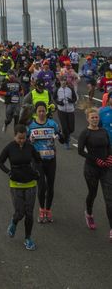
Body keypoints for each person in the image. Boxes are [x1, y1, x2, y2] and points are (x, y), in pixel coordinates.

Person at [0, 123, 41, 251]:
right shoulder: (10, 147)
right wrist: (9, 172)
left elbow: (38, 160)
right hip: (16, 184)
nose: (22, 140)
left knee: (29, 213)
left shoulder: (30, 146)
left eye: (24, 138)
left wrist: (36, 171)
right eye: (19, 138)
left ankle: (28, 238)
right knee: (20, 212)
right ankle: (14, 222)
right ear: (14, 136)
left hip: (30, 183)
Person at [77, 106, 112, 237]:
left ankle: (111, 229)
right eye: (92, 117)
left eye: (96, 117)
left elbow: (109, 146)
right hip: (91, 168)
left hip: (106, 168)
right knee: (93, 193)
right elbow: (80, 151)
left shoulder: (103, 131)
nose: (95, 119)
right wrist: (96, 160)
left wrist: (109, 157)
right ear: (88, 119)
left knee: (109, 198)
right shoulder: (85, 133)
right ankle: (89, 213)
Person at [27, 102, 61, 223]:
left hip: (51, 159)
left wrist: (57, 136)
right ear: (35, 112)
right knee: (42, 186)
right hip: (37, 161)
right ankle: (41, 209)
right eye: (39, 111)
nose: (41, 113)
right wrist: (29, 139)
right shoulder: (30, 125)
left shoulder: (52, 124)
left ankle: (48, 210)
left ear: (46, 111)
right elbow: (23, 141)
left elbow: (61, 136)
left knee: (51, 186)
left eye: (43, 111)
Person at [53, 75, 77, 149]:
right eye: (62, 80)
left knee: (71, 128)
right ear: (60, 81)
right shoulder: (57, 89)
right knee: (65, 128)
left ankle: (67, 135)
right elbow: (54, 98)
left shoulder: (70, 89)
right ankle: (67, 142)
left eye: (64, 80)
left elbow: (75, 98)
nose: (63, 82)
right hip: (61, 111)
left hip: (70, 110)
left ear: (66, 81)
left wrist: (71, 101)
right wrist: (59, 102)